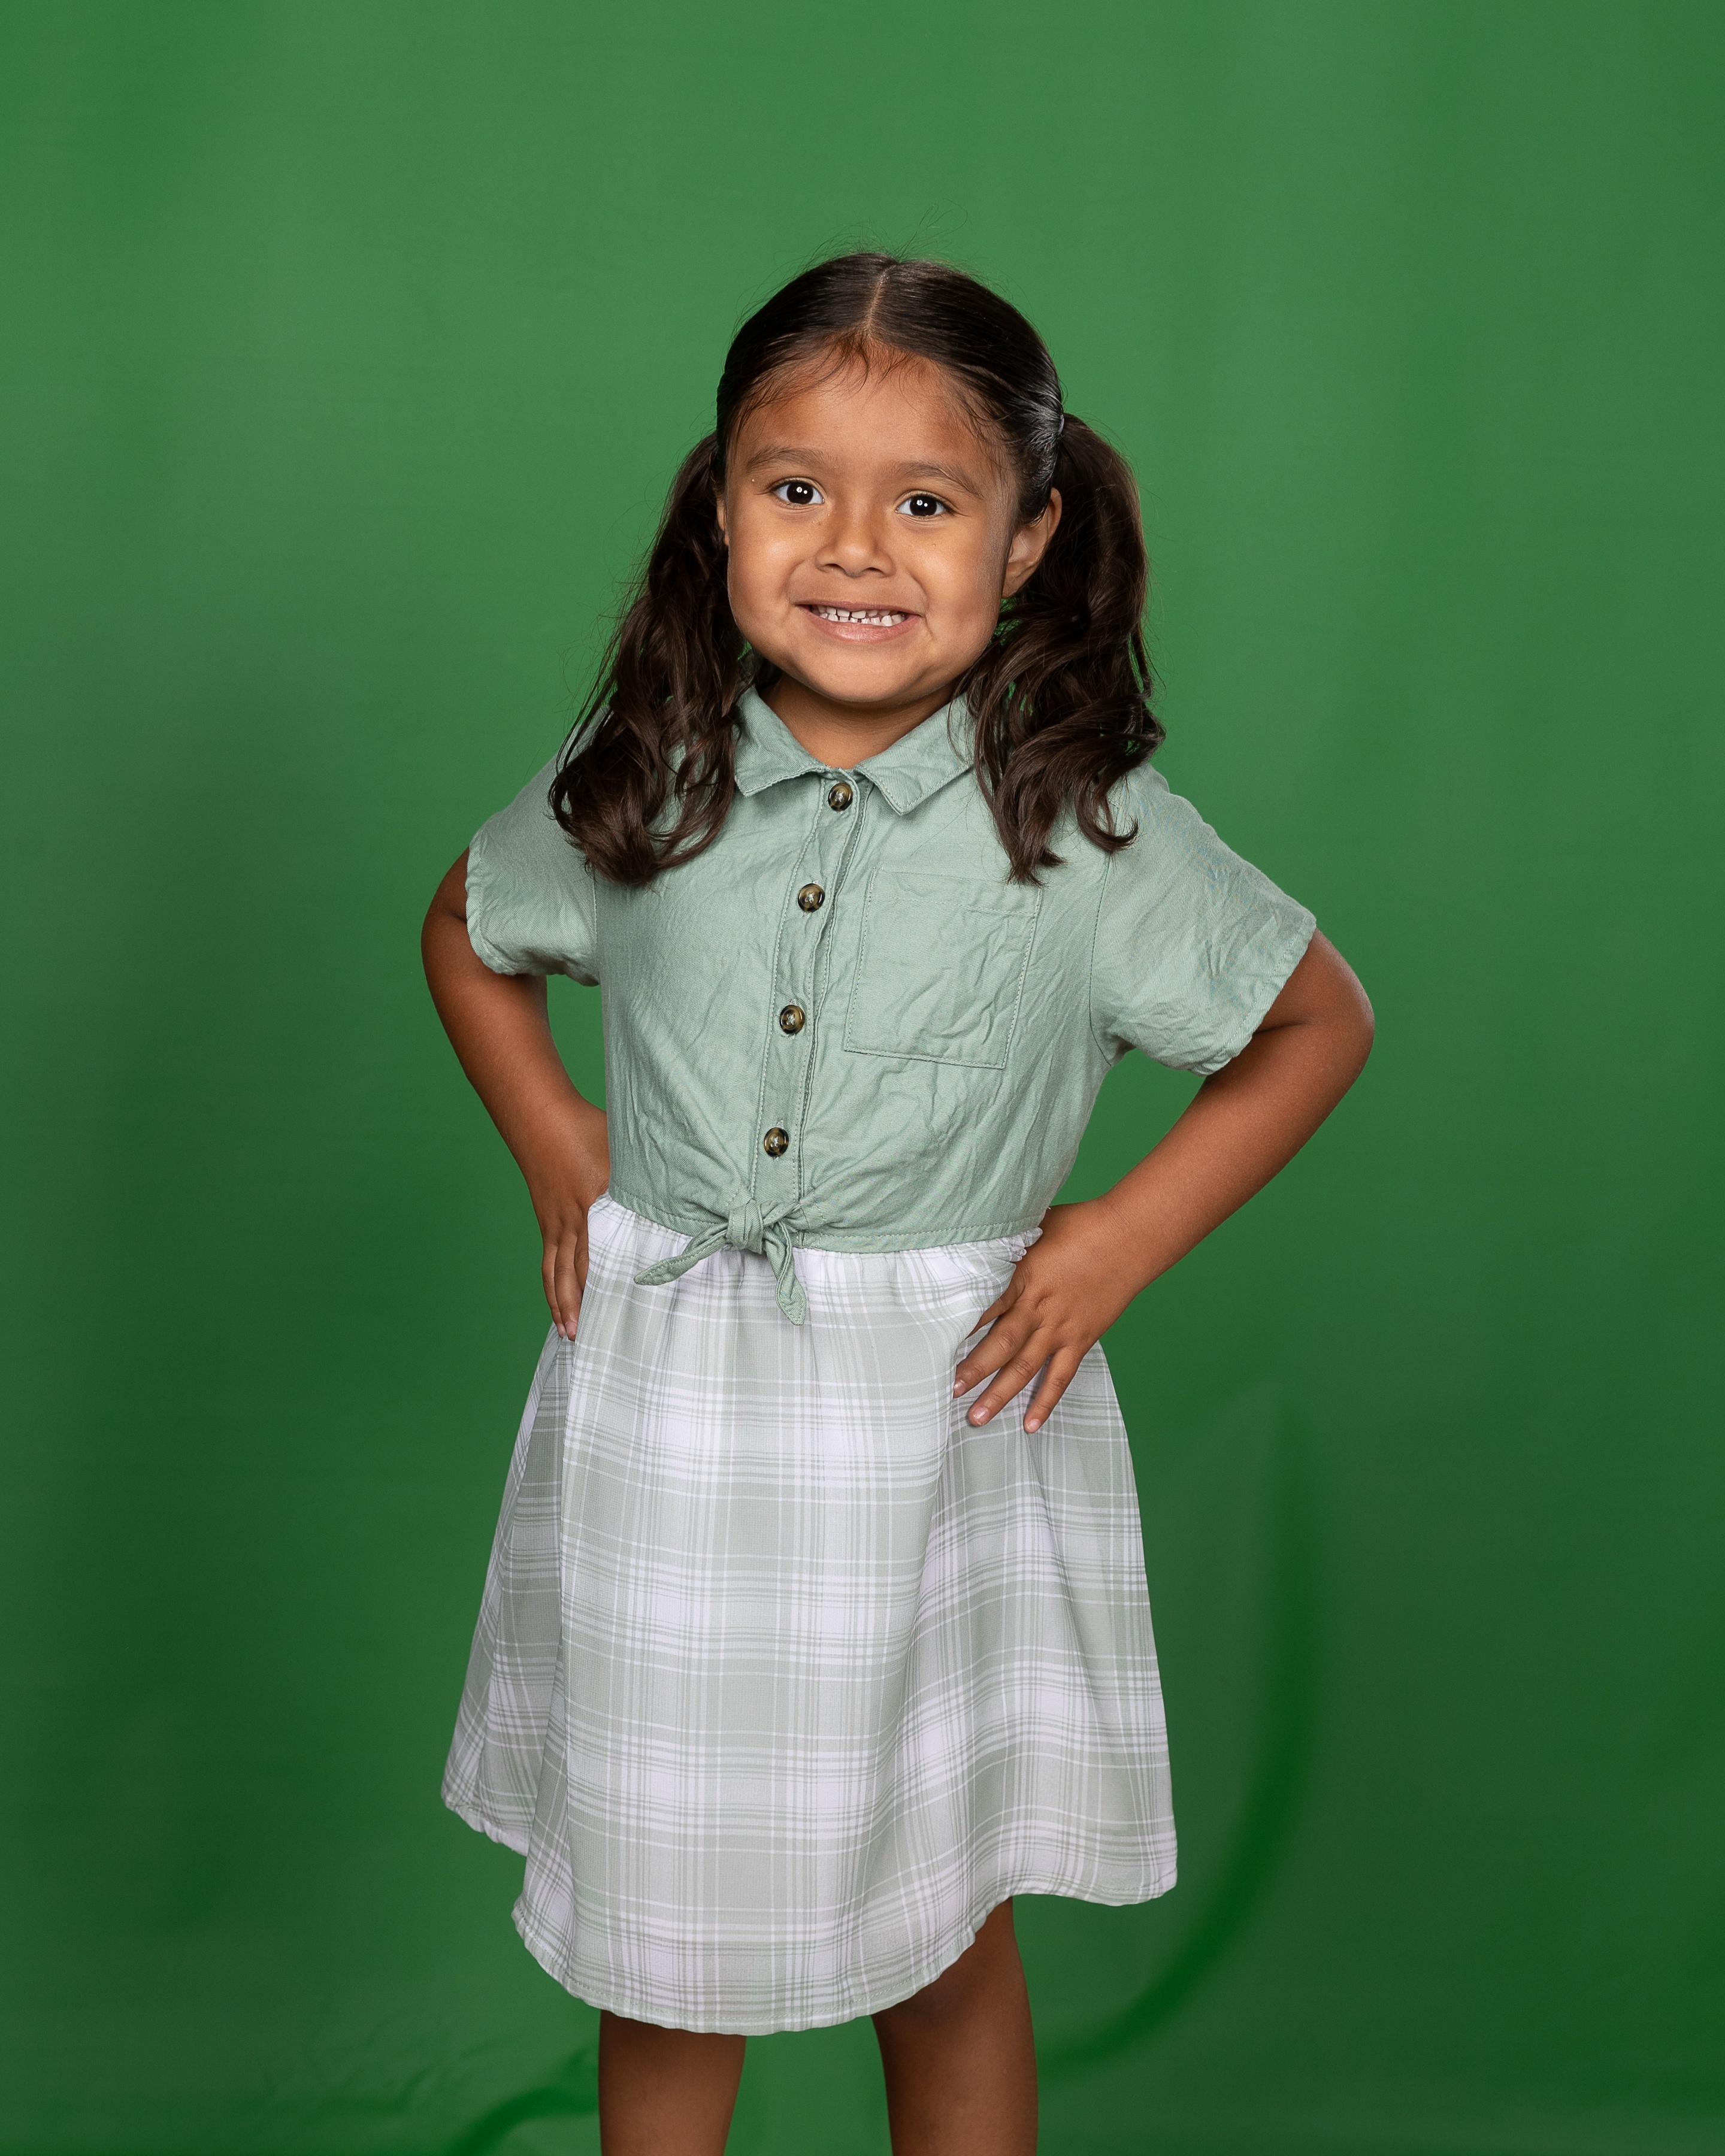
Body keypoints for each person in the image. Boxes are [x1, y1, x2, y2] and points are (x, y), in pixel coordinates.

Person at [422, 252, 1372, 2156]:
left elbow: (1313, 1021)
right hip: (670, 1422)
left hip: (937, 1425)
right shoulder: (647, 779)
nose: (854, 546)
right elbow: (469, 925)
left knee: (937, 1922)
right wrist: (554, 1135)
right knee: (661, 1936)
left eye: (927, 503)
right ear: (720, 510)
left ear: (1028, 540)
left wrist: (1113, 1238)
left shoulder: (1092, 829)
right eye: (796, 488)